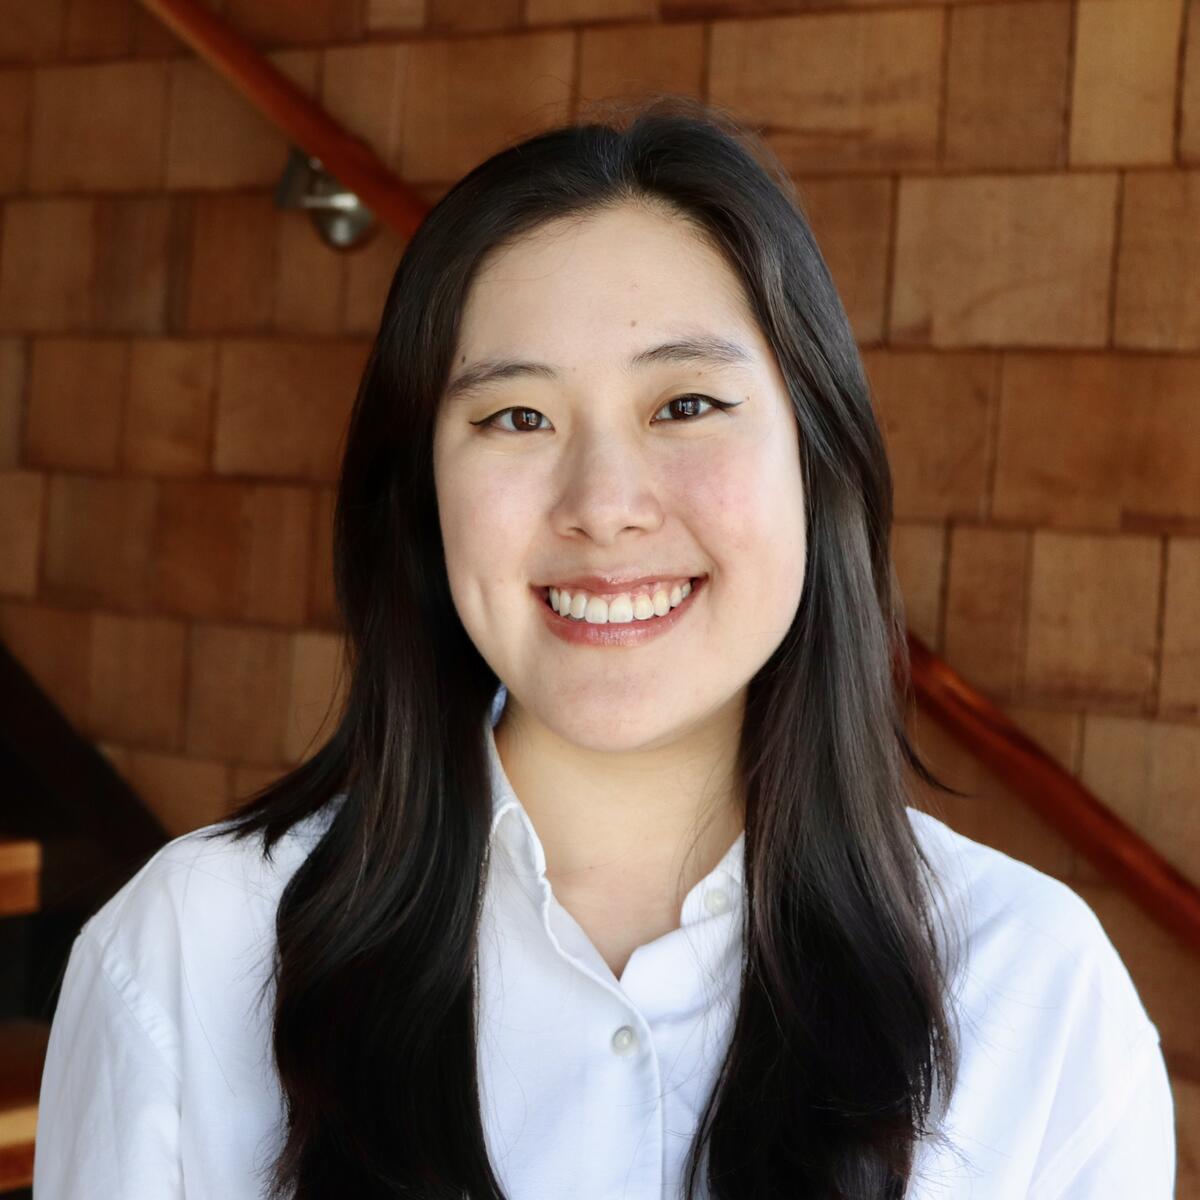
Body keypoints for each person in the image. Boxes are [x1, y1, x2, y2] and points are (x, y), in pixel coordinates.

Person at [33, 96, 1174, 1199]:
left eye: (685, 405)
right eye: (516, 418)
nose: (605, 504)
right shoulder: (190, 955)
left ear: (817, 461)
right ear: (422, 492)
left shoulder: (1034, 991)